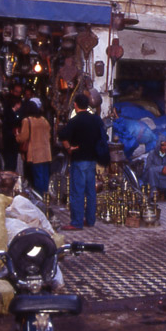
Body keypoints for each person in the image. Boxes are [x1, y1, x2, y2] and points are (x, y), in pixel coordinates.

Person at [58, 94, 104, 230]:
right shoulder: (95, 120)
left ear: (76, 105)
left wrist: (69, 148)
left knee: (77, 191)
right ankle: (90, 220)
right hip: (92, 160)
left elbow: (62, 135)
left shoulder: (75, 121)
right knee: (91, 191)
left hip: (79, 159)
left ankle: (77, 222)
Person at [15, 99, 52, 195]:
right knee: (45, 178)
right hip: (46, 154)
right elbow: (49, 135)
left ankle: (39, 200)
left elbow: (23, 137)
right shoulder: (44, 120)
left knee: (37, 179)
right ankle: (45, 198)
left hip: (35, 154)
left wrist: (17, 136)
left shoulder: (27, 121)